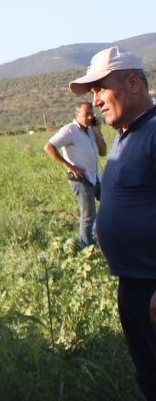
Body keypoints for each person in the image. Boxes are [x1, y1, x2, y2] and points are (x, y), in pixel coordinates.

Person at [71, 46, 156, 400]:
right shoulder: (125, 134)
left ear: (133, 82)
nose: (97, 100)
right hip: (134, 286)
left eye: (101, 89)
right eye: (93, 93)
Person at [44, 102, 107, 248]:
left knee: (108, 205)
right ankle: (86, 246)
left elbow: (102, 152)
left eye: (92, 114)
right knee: (89, 214)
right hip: (81, 179)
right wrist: (69, 166)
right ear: (77, 114)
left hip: (95, 177)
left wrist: (98, 132)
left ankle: (98, 237)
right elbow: (49, 147)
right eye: (86, 114)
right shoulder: (69, 131)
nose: (90, 117)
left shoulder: (91, 131)